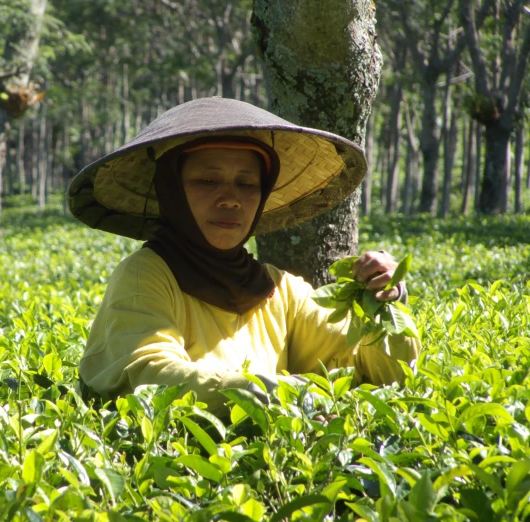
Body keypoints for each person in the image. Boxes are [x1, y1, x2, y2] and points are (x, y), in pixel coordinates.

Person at [67, 97, 419, 417]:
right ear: (172, 191)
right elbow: (148, 378)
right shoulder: (146, 276)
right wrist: (270, 393)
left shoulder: (279, 289)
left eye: (247, 185)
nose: (231, 199)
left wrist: (385, 301)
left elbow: (379, 374)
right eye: (208, 181)